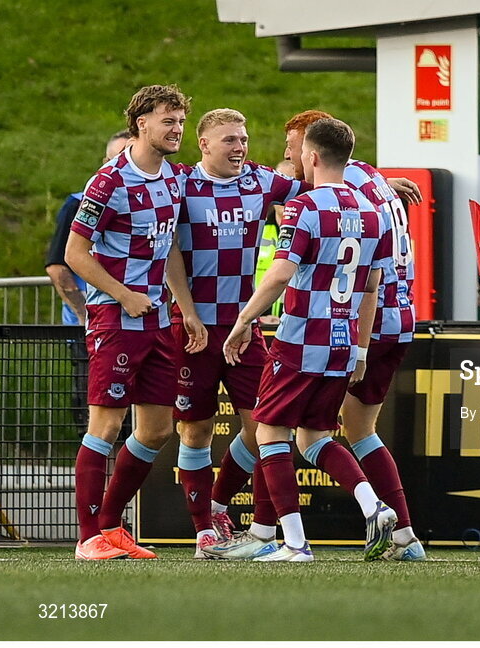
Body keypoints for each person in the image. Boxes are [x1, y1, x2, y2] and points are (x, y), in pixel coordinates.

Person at [222, 117, 397, 562]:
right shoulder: (373, 210)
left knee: (269, 431)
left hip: (301, 336)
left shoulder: (305, 207)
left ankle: (295, 543)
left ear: (312, 156)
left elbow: (280, 273)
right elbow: (373, 286)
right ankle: (373, 506)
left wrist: (244, 320)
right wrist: (359, 349)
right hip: (342, 339)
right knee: (315, 438)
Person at [65, 84, 206, 560]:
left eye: (182, 121)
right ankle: (88, 538)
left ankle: (111, 525)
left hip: (157, 319)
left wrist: (185, 310)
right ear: (141, 122)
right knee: (105, 426)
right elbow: (74, 254)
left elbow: (168, 253)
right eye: (169, 120)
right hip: (116, 315)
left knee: (157, 430)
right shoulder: (108, 182)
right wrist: (124, 295)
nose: (178, 130)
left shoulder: (175, 177)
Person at [282, 110, 423, 560]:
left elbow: (360, 274)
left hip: (354, 321)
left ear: (313, 147)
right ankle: (405, 537)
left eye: (292, 149)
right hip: (400, 317)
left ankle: (272, 532)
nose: (289, 158)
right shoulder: (370, 178)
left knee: (293, 433)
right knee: (361, 429)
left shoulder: (330, 193)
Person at [169, 108, 306, 559]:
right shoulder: (182, 186)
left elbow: (327, 180)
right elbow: (165, 250)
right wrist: (187, 313)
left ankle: (252, 526)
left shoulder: (262, 182)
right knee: (197, 430)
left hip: (245, 329)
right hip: (193, 328)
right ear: (203, 145)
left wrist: (379, 184)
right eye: (229, 140)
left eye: (243, 139)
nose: (239, 147)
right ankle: (204, 529)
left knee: (267, 426)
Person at [46, 131, 132, 433]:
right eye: (117, 157)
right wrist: (85, 316)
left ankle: (125, 481)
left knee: (136, 422)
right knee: (97, 417)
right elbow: (58, 266)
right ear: (104, 162)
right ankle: (101, 479)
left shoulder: (156, 198)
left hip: (139, 322)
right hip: (94, 326)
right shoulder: (80, 202)